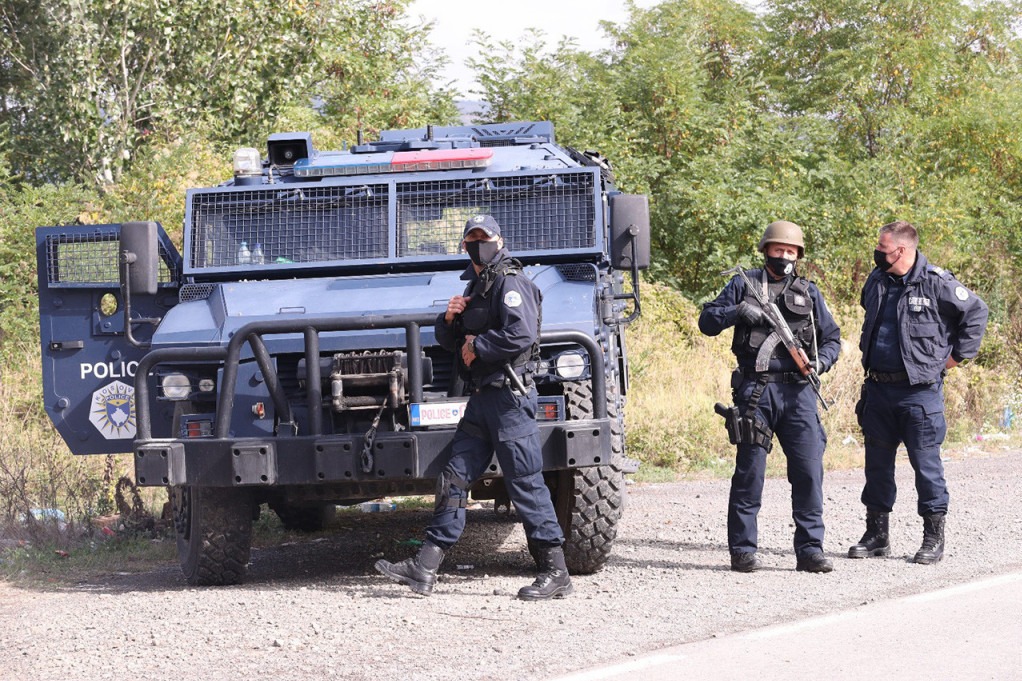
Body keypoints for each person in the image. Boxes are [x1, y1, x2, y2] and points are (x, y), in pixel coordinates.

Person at [374, 215, 572, 600]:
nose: (479, 243)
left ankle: (556, 571)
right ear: (465, 245)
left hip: (509, 398)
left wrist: (477, 346)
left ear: (499, 240)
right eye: (472, 238)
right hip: (482, 400)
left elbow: (521, 333)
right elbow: (452, 341)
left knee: (525, 483)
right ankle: (425, 567)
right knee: (455, 477)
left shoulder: (511, 283)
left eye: (485, 237)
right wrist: (449, 319)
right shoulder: (478, 287)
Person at [699, 220, 841, 573]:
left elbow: (833, 339)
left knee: (808, 472)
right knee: (750, 473)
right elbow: (706, 321)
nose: (784, 257)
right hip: (756, 391)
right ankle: (743, 550)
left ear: (799, 255)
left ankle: (810, 550)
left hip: (799, 393)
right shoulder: (742, 284)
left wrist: (819, 363)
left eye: (791, 251)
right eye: (778, 250)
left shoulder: (809, 293)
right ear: (766, 251)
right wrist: (736, 312)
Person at [849, 220, 988, 565]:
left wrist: (951, 360)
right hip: (879, 389)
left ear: (903, 250)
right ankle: (877, 535)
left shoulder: (937, 283)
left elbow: (976, 312)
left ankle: (932, 537)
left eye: (882, 250)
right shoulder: (876, 280)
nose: (877, 254)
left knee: (926, 467)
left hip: (919, 395)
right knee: (877, 467)